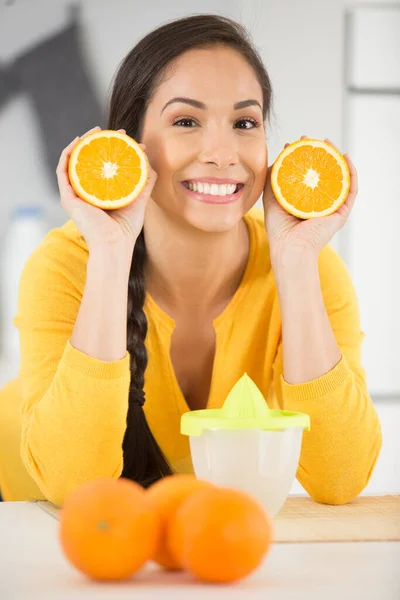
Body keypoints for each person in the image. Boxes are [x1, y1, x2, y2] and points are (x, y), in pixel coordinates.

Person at [0, 14, 381, 506]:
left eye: (245, 123)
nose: (223, 153)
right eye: (186, 121)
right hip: (22, 521)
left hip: (168, 538)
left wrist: (297, 261)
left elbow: (340, 477)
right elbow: (74, 484)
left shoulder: (310, 270)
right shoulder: (65, 264)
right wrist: (112, 255)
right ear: (130, 142)